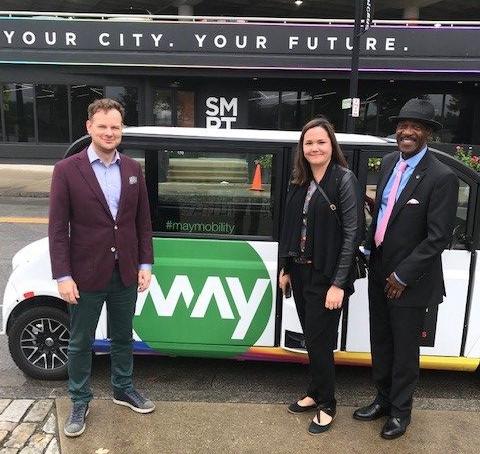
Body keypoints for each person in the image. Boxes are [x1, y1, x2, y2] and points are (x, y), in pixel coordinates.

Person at [48, 98, 155, 438]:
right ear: (89, 128)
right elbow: (57, 229)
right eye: (103, 126)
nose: (110, 132)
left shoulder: (133, 170)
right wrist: (63, 276)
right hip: (84, 275)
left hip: (124, 271)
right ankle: (80, 399)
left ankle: (123, 388)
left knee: (123, 336)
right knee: (81, 342)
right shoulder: (67, 170)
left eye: (115, 127)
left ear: (121, 130)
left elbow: (142, 223)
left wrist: (145, 263)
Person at [353, 98, 459, 439]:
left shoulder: (442, 177)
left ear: (427, 133)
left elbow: (438, 237)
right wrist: (370, 244)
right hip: (379, 266)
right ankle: (383, 399)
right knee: (381, 340)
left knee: (404, 348)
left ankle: (401, 412)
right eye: (403, 124)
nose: (407, 131)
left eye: (415, 126)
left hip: (410, 279)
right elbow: (386, 213)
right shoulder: (387, 163)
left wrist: (402, 275)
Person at [279, 117, 363, 434]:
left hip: (327, 276)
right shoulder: (300, 180)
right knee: (313, 340)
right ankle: (314, 393)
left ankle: (328, 403)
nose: (314, 147)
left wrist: (338, 283)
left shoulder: (344, 180)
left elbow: (353, 234)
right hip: (300, 273)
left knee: (320, 341)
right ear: (302, 148)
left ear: (332, 145)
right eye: (309, 143)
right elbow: (289, 228)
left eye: (321, 142)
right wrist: (286, 268)